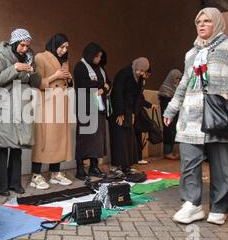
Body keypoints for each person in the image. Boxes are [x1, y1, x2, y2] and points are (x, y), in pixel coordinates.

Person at [163, 7, 228, 225]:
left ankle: (219, 207)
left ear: (216, 23)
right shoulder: (191, 54)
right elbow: (184, 85)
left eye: (207, 21)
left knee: (222, 164)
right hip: (192, 116)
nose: (201, 24)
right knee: (189, 159)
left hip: (221, 115)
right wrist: (171, 109)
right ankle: (192, 204)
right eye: (198, 21)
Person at [0, 29, 41, 196]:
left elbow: (36, 82)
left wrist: (31, 72)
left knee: (17, 146)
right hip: (5, 106)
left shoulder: (30, 58)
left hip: (22, 106)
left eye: (27, 45)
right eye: (21, 45)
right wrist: (15, 68)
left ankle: (15, 183)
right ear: (14, 43)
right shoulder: (1, 56)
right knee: (3, 145)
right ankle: (0, 185)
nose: (24, 49)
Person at [30, 34, 74, 190]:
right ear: (54, 44)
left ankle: (55, 173)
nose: (63, 50)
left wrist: (69, 79)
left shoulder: (64, 61)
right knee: (43, 139)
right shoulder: (40, 57)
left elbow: (66, 84)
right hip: (46, 104)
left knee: (59, 139)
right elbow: (37, 82)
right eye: (61, 47)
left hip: (61, 104)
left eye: (66, 47)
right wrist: (56, 75)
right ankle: (36, 175)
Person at [73, 43, 111, 181]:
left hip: (98, 107)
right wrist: (101, 85)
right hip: (85, 107)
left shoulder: (100, 69)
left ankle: (94, 166)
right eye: (97, 56)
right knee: (84, 139)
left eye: (100, 56)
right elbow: (83, 84)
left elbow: (109, 83)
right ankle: (80, 168)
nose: (99, 59)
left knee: (97, 140)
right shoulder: (80, 66)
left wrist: (104, 88)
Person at [109, 57, 150, 175]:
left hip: (129, 110)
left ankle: (126, 165)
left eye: (143, 71)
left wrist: (133, 113)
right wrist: (119, 113)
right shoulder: (123, 74)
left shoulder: (139, 79)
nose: (141, 73)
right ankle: (116, 166)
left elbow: (137, 98)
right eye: (140, 70)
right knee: (119, 138)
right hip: (118, 110)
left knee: (128, 138)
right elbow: (117, 93)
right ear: (136, 66)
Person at [134, 67, 158, 165]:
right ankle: (137, 157)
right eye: (146, 75)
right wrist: (150, 105)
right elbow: (139, 99)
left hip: (137, 111)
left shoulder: (138, 81)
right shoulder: (137, 82)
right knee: (137, 135)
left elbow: (140, 98)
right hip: (136, 112)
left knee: (138, 135)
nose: (146, 78)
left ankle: (137, 157)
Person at [158, 69, 183, 160]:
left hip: (175, 114)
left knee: (173, 131)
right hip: (168, 115)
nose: (177, 80)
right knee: (169, 131)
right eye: (176, 78)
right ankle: (167, 152)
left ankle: (170, 151)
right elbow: (166, 104)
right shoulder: (165, 89)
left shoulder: (175, 88)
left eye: (179, 79)